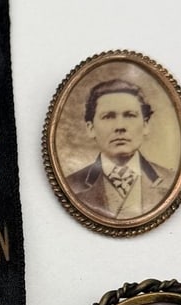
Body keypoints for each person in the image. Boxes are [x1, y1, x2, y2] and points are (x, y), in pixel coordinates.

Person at [66, 80, 174, 218]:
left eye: (129, 115)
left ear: (145, 124)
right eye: (108, 117)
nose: (120, 126)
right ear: (91, 128)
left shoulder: (170, 180)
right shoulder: (71, 185)